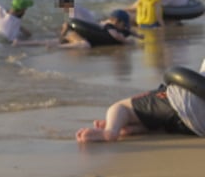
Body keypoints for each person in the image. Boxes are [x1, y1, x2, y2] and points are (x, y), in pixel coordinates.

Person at [77, 58, 205, 142]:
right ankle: (139, 126)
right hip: (200, 127)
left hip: (183, 101)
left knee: (122, 107)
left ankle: (110, 131)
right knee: (166, 120)